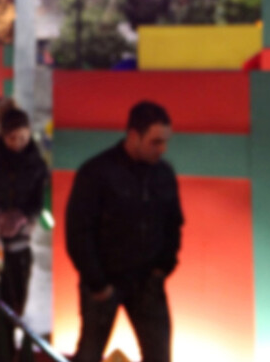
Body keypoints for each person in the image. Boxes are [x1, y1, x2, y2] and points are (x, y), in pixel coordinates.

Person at [66, 101, 183, 362]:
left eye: (165, 141)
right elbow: (78, 232)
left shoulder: (163, 174)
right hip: (104, 282)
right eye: (155, 142)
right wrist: (98, 283)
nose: (162, 149)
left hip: (146, 283)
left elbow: (174, 224)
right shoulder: (96, 173)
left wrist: (162, 268)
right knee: (89, 353)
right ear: (133, 136)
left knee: (159, 354)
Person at [0, 108, 48, 322]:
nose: (17, 143)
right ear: (2, 135)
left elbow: (38, 202)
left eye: (22, 137)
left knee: (17, 299)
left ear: (29, 133)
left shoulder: (36, 164)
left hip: (21, 240)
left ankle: (10, 345)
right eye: (11, 138)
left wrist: (23, 215)